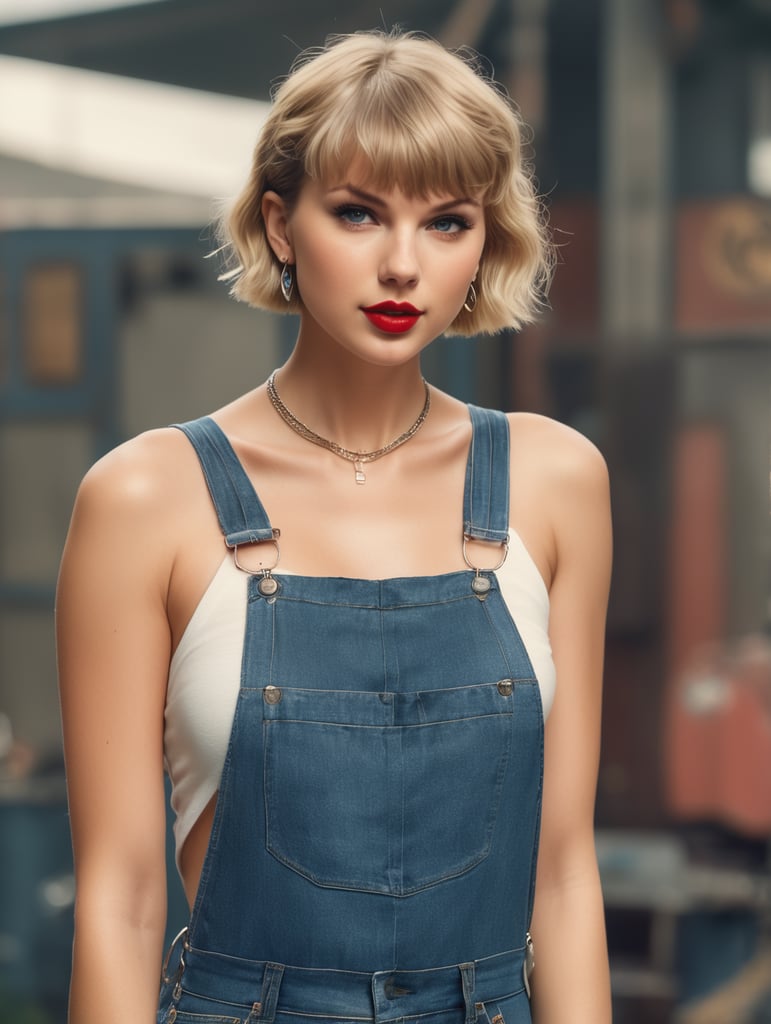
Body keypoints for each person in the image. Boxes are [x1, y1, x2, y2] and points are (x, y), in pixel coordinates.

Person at [56, 30, 612, 1024]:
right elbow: (122, 898)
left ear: (487, 240)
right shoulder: (145, 498)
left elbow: (563, 876)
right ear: (280, 223)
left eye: (447, 222)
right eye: (358, 213)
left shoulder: (555, 481)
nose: (403, 264)